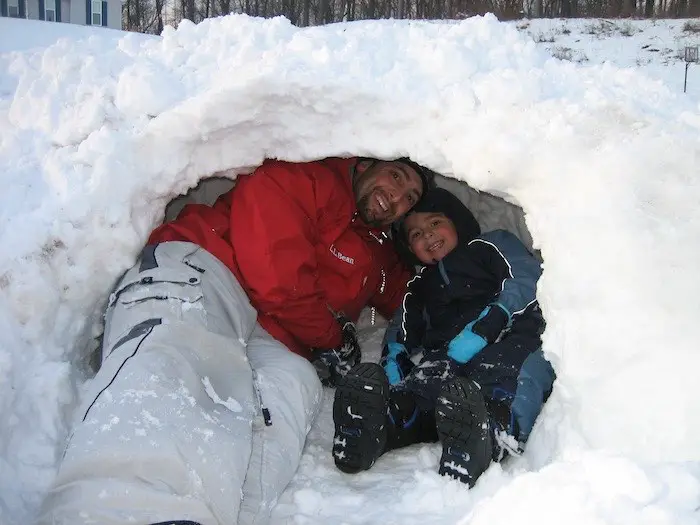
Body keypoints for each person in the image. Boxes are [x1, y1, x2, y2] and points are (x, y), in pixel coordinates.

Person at [36, 157, 433, 525]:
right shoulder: (306, 177)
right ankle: (121, 509)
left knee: (293, 384)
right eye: (395, 176)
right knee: (172, 358)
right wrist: (332, 338)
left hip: (267, 331)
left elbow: (409, 295)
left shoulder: (375, 251)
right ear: (365, 164)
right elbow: (277, 278)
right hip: (205, 270)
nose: (397, 196)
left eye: (410, 197)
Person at [332, 187, 555, 487]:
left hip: (509, 335)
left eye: (435, 223)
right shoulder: (421, 284)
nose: (428, 235)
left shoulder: (490, 245)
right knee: (425, 383)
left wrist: (491, 322)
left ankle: (490, 432)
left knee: (506, 375)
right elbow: (403, 323)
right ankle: (382, 423)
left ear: (457, 221)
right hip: (450, 354)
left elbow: (526, 277)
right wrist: (394, 355)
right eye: (416, 235)